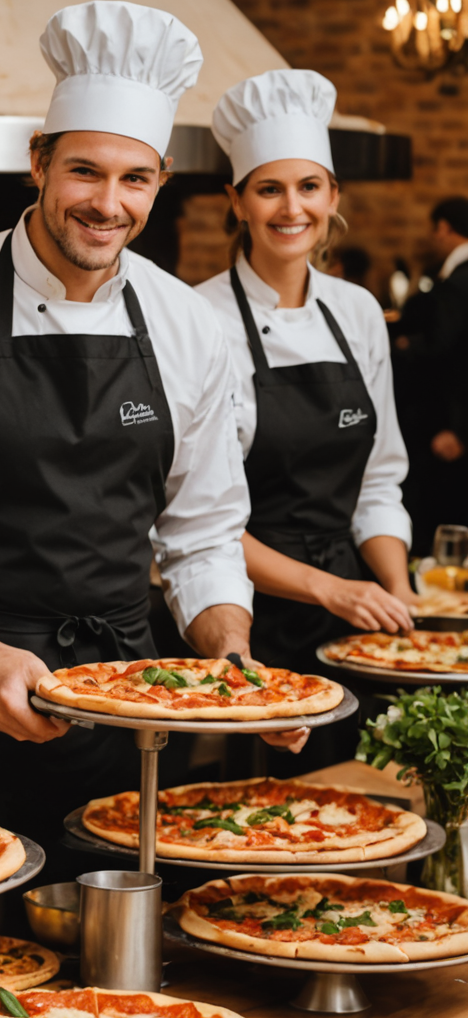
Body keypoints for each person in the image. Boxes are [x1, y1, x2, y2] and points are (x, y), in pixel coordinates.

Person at [0, 1, 297, 920]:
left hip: (127, 716)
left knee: (107, 990)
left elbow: (201, 535)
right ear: (38, 162)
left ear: (161, 185)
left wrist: (231, 660)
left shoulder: (189, 328)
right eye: (84, 170)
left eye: (135, 180)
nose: (107, 204)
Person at [197, 70, 414, 771]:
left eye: (309, 187)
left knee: (360, 799)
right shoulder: (197, 321)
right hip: (239, 613)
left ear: (333, 196)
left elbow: (378, 482)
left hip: (352, 615)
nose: (292, 208)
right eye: (268, 189)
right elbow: (198, 522)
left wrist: (399, 594)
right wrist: (331, 588)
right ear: (236, 202)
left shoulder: (357, 312)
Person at [398, 197, 468, 540]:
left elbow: (448, 353)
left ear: (443, 228)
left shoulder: (458, 283)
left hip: (449, 429)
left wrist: (459, 429)